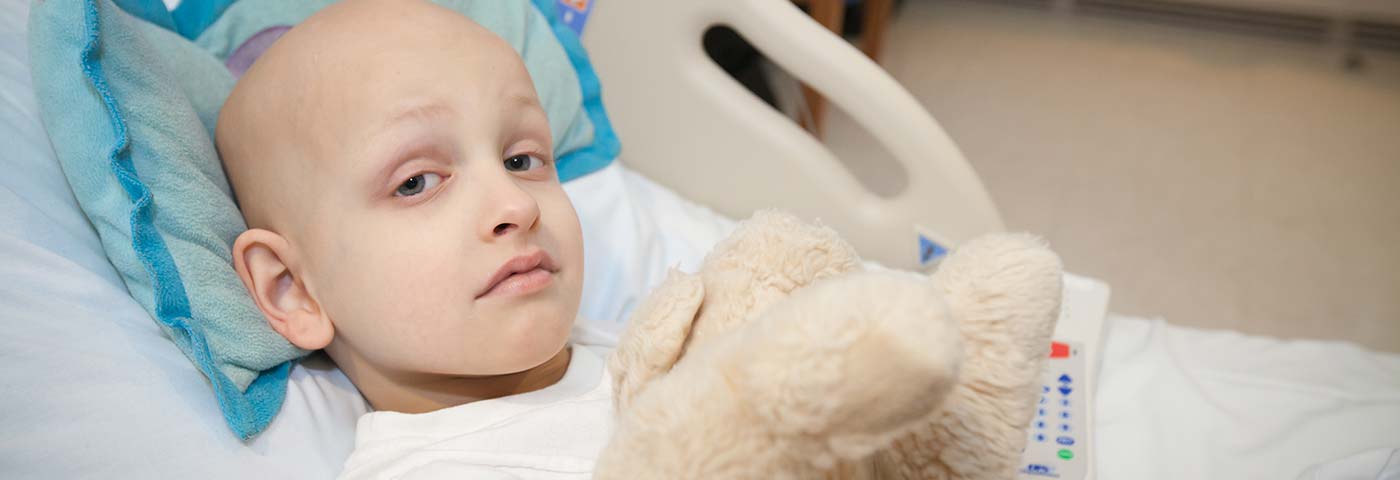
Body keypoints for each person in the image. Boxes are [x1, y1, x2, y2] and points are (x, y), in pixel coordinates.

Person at [217, 1, 608, 477]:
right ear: (293, 288)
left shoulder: (661, 331)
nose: (518, 207)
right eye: (416, 183)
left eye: (520, 161)